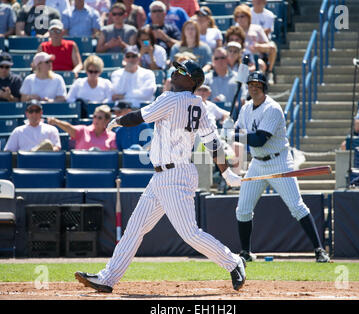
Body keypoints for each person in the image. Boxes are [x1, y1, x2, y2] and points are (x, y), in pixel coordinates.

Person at [74, 59, 246, 293]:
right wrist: (226, 173)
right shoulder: (200, 104)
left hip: (174, 175)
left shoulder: (170, 99)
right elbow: (213, 143)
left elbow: (138, 117)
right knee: (135, 228)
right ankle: (108, 278)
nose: (175, 73)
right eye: (176, 69)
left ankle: (234, 262)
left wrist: (118, 121)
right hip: (164, 176)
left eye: (181, 71)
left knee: (190, 234)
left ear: (192, 81)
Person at [222, 71, 330, 263]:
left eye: (258, 85)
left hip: (279, 161)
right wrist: (228, 128)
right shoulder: (246, 108)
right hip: (257, 163)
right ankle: (245, 252)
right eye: (251, 85)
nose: (254, 88)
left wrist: (234, 135)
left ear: (264, 87)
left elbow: (259, 140)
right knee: (243, 209)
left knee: (297, 207)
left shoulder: (272, 108)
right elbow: (238, 131)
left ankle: (319, 250)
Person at [233, 4, 277, 85]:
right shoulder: (235, 29)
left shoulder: (257, 28)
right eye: (237, 17)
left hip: (255, 58)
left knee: (261, 64)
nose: (239, 19)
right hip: (238, 58)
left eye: (242, 16)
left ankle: (268, 73)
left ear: (248, 17)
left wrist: (258, 46)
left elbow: (267, 45)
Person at [47, 104, 116, 151]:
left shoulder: (112, 136)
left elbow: (113, 156)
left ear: (107, 120)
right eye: (95, 116)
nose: (96, 120)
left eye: (100, 118)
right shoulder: (83, 130)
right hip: (81, 166)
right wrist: (56, 121)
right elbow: (69, 128)